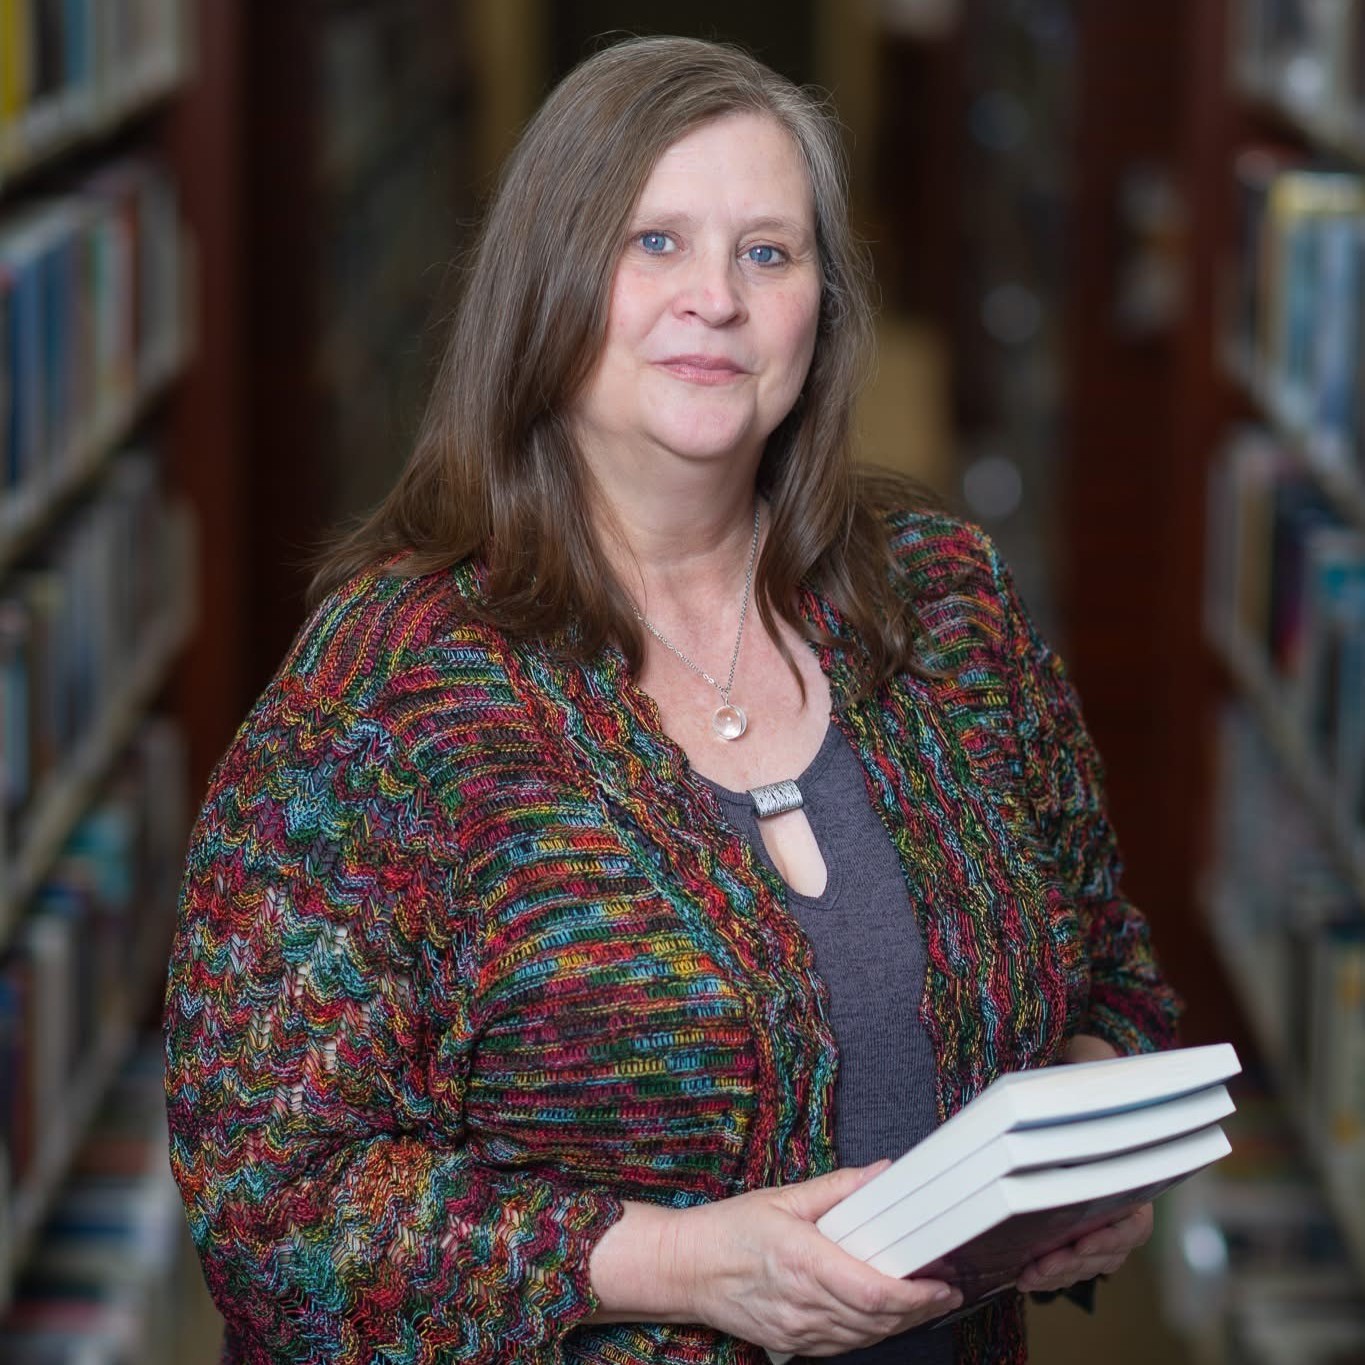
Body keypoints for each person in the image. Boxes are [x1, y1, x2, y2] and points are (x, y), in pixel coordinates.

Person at [162, 34, 1182, 1365]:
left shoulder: (945, 604)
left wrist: (1085, 1154)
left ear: (822, 304)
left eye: (768, 251)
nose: (714, 297)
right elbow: (272, 1202)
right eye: (653, 244)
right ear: (546, 286)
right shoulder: (381, 696)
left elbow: (1109, 967)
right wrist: (681, 1263)